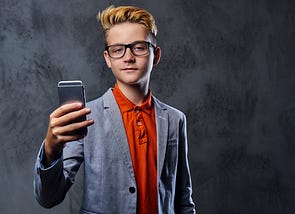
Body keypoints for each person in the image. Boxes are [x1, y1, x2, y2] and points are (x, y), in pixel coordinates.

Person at [34, 5, 196, 214]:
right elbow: (48, 198)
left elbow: (183, 198)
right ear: (107, 58)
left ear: (155, 55)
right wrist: (50, 149)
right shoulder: (85, 117)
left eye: (139, 47)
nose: (128, 57)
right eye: (117, 49)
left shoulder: (175, 119)